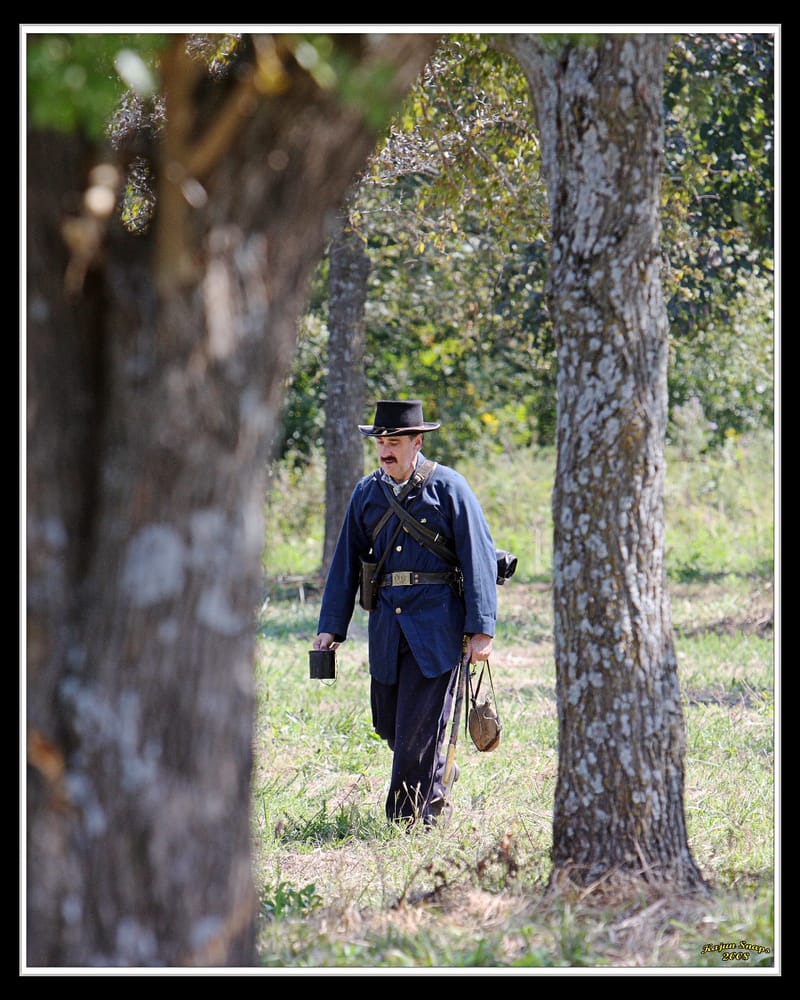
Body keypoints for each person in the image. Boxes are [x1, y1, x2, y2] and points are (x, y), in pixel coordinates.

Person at [313, 399, 498, 828]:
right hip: (386, 629)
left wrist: (481, 629)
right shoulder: (366, 492)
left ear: (417, 442)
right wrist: (329, 629)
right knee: (390, 724)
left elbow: (479, 560)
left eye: (394, 441)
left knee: (418, 729)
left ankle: (412, 820)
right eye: (381, 441)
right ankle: (437, 772)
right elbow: (345, 564)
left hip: (438, 628)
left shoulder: (450, 488)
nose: (385, 449)